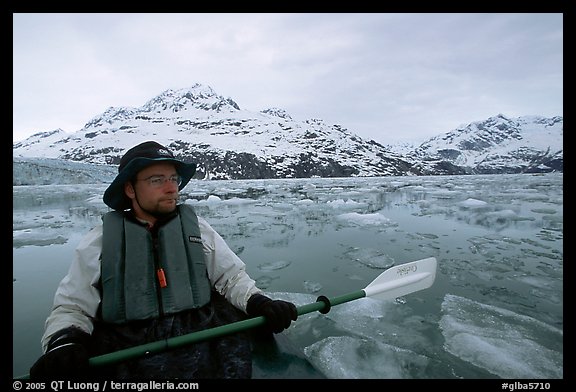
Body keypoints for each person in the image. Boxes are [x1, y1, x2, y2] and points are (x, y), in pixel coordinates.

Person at [29, 141, 298, 379]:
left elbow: (230, 278)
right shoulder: (100, 239)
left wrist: (260, 302)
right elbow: (73, 305)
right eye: (157, 180)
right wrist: (64, 343)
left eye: (174, 178)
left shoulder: (197, 228)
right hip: (127, 343)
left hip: (201, 331)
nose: (172, 189)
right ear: (130, 189)